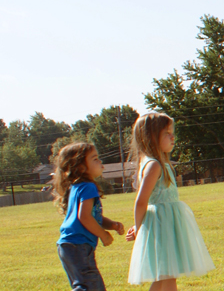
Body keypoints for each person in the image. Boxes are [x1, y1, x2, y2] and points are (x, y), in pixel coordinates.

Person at [126, 113, 215, 289]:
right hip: (161, 226)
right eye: (167, 133)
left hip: (167, 225)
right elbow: (141, 202)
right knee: (166, 276)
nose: (173, 137)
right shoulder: (153, 165)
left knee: (166, 276)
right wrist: (139, 228)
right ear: (152, 137)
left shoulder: (160, 163)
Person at [53, 142, 124, 291]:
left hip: (70, 246)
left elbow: (93, 217)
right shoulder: (88, 187)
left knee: (89, 286)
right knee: (90, 287)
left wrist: (111, 224)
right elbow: (84, 217)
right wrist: (103, 235)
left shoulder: (77, 186)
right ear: (80, 167)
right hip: (78, 246)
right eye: (94, 158)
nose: (100, 161)